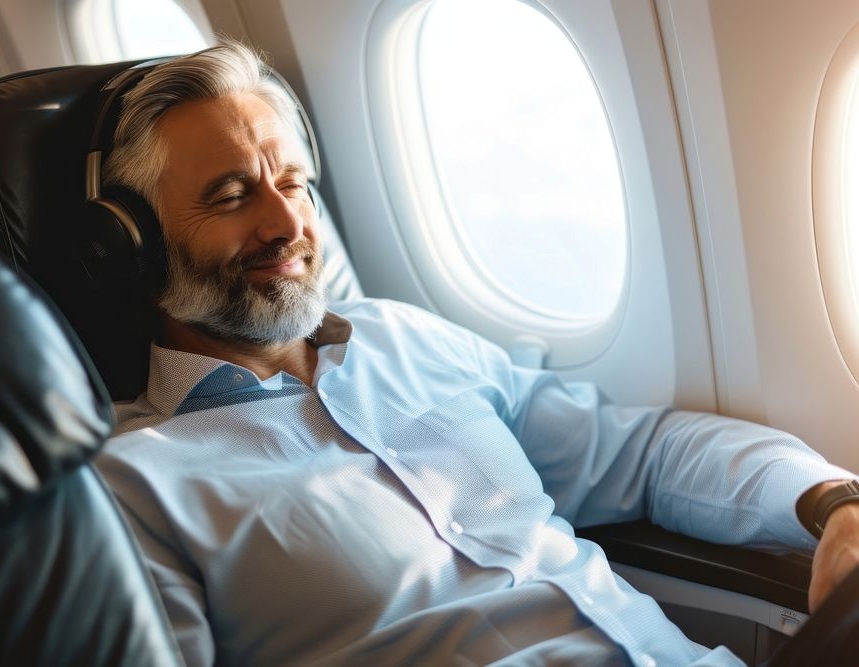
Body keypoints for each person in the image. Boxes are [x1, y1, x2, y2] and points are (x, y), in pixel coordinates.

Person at [93, 40, 859, 666]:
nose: (286, 222)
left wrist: (830, 502)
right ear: (138, 243)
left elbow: (647, 454)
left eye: (293, 183)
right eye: (232, 195)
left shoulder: (405, 338)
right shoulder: (133, 485)